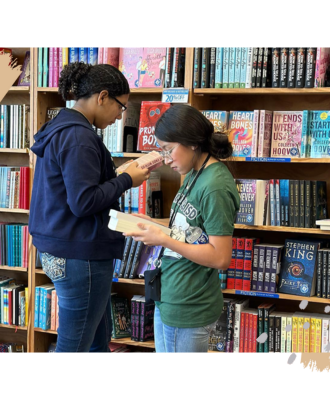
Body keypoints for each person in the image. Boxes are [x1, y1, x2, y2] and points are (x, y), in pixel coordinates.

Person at [29, 62, 149, 353]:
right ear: (103, 96)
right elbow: (83, 202)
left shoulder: (62, 127)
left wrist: (115, 174)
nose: (121, 116)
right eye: (121, 107)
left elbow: (75, 186)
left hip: (62, 246)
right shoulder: (79, 136)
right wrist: (125, 180)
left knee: (96, 340)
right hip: (79, 252)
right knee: (75, 345)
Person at [123, 104, 240, 353]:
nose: (166, 160)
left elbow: (220, 257)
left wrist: (163, 240)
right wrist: (156, 225)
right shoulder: (195, 172)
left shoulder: (215, 185)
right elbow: (190, 230)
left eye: (169, 150)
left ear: (192, 143)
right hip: (171, 297)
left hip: (189, 305)